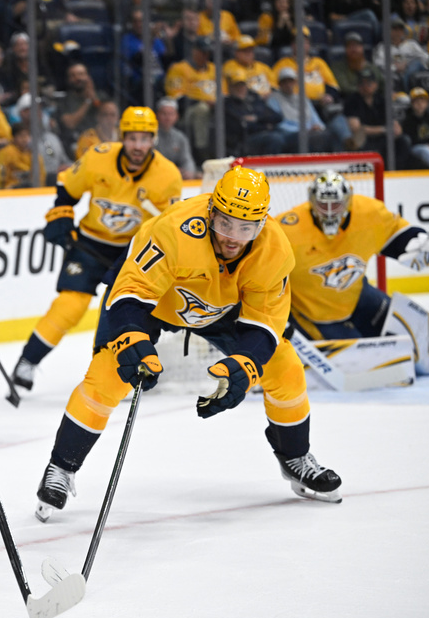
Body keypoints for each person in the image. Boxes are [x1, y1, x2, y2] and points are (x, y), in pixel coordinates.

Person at [34, 166, 344, 526]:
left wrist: (244, 365)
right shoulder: (174, 229)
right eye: (225, 223)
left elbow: (265, 324)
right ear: (211, 211)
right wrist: (133, 338)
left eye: (246, 228)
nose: (233, 238)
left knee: (284, 366)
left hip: (220, 308)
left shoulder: (274, 250)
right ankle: (61, 467)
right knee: (108, 374)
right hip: (152, 302)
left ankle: (295, 457)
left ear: (261, 224)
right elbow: (132, 292)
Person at [11, 107, 182, 391]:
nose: (138, 146)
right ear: (122, 137)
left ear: (153, 139)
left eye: (144, 139)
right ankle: (27, 361)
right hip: (90, 243)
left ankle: (107, 375)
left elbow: (166, 227)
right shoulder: (99, 156)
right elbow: (68, 189)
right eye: (132, 138)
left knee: (117, 314)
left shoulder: (168, 175)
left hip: (131, 253)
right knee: (69, 306)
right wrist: (61, 213)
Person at [275, 170, 429, 349]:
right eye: (323, 204)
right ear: (311, 201)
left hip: (358, 296)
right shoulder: (288, 230)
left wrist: (415, 241)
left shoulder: (368, 212)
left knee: (416, 335)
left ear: (348, 200)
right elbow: (266, 274)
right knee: (362, 358)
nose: (330, 212)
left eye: (336, 204)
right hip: (316, 315)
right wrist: (278, 318)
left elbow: (395, 233)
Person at [153, 97, 197, 180]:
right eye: (164, 114)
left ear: (177, 116)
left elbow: (187, 160)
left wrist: (188, 172)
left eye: (171, 114)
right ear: (157, 115)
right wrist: (172, 171)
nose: (167, 118)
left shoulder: (180, 137)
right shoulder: (151, 136)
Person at [403, 87, 429, 168]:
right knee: (425, 150)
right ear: (412, 103)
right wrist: (427, 145)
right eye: (417, 102)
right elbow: (410, 140)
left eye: (423, 101)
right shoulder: (408, 119)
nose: (420, 104)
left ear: (427, 103)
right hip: (416, 147)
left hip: (428, 146)